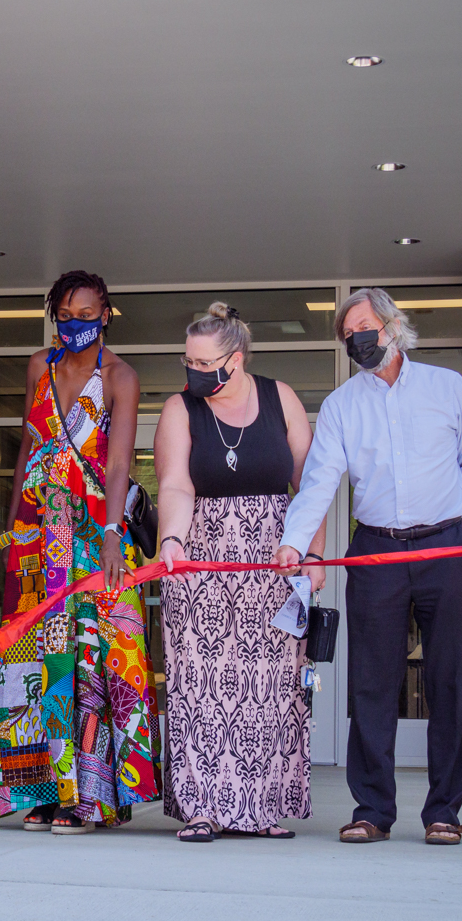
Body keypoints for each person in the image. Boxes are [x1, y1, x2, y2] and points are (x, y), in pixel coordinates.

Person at [274, 287, 462, 846]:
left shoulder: (447, 387)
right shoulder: (344, 405)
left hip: (445, 547)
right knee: (371, 683)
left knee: (447, 679)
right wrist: (296, 543)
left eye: (363, 329)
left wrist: (445, 518)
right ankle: (372, 809)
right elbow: (319, 479)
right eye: (348, 336)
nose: (357, 341)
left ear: (392, 326)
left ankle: (444, 811)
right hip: (376, 551)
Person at [0, 270, 161, 834]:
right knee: (35, 666)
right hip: (39, 534)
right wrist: (14, 524)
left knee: (88, 662)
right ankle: (39, 791)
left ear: (106, 314)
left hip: (91, 536)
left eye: (88, 315)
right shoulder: (40, 366)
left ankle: (86, 800)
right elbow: (29, 449)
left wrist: (113, 533)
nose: (77, 324)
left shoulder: (121, 376)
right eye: (66, 314)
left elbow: (118, 463)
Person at [154, 303, 326, 843]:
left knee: (270, 684)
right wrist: (172, 543)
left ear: (237, 357)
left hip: (276, 559)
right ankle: (203, 807)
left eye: (206, 361)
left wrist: (313, 554)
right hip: (202, 562)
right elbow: (177, 484)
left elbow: (310, 484)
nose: (195, 370)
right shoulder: (181, 409)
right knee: (201, 686)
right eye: (189, 360)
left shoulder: (282, 398)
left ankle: (261, 808)